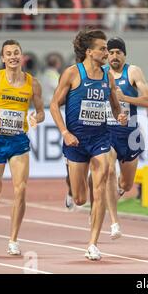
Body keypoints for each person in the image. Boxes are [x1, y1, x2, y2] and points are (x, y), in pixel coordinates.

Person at [49, 29, 124, 261]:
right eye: (102, 48)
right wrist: (64, 132)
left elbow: (114, 105)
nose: (106, 52)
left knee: (101, 185)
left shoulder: (107, 76)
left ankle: (92, 243)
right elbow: (53, 105)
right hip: (76, 140)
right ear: (89, 52)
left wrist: (119, 115)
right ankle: (72, 187)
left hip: (100, 138)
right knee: (81, 198)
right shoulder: (72, 74)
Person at [0, 39, 45, 255]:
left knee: (21, 189)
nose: (13, 56)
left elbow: (41, 111)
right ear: (3, 58)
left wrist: (36, 118)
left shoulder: (33, 83)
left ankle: (13, 239)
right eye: (9, 53)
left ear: (21, 56)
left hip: (18, 141)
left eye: (16, 52)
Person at [101, 37, 148, 239]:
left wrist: (124, 99)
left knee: (126, 184)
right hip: (107, 132)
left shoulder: (132, 72)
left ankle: (118, 192)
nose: (114, 56)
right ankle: (114, 223)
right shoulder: (100, 74)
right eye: (111, 52)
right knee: (108, 173)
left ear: (124, 55)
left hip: (130, 134)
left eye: (118, 52)